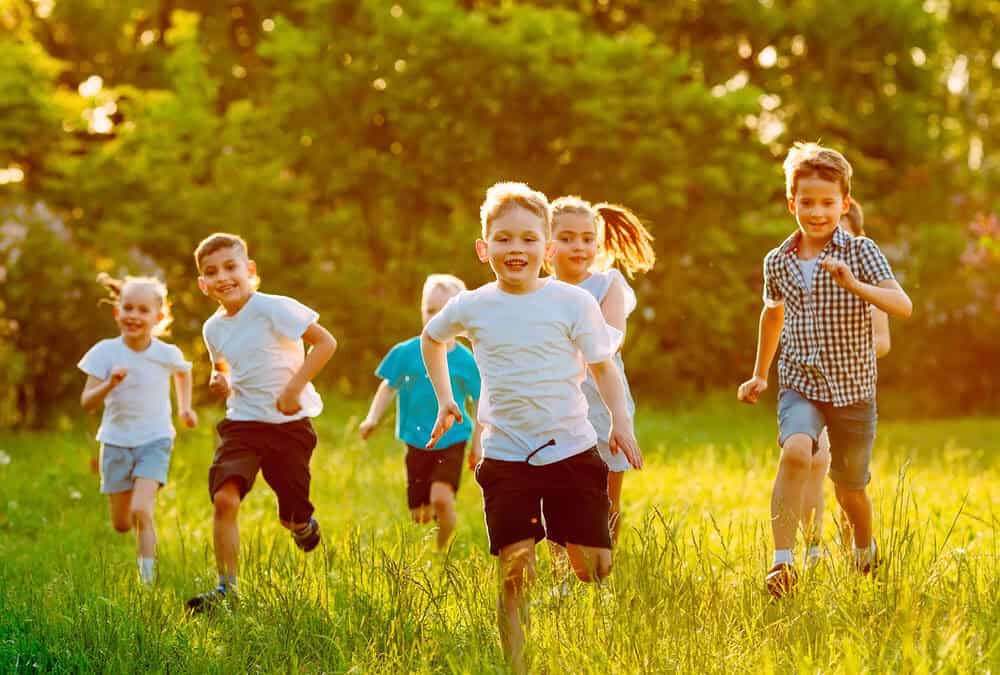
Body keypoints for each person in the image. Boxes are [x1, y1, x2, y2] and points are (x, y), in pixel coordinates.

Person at [421, 182, 641, 672]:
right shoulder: (472, 305)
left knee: (592, 568)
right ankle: (515, 666)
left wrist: (619, 424)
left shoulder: (572, 302)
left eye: (527, 239)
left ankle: (566, 536)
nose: (515, 249)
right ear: (484, 248)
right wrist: (446, 400)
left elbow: (604, 365)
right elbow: (431, 338)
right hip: (505, 454)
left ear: (547, 248)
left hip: (572, 449)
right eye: (503, 239)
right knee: (514, 569)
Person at [737, 142, 912, 597]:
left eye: (828, 203)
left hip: (853, 389)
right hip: (801, 381)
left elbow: (903, 305)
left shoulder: (862, 251)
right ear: (791, 203)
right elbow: (772, 315)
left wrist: (854, 284)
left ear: (844, 204)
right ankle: (781, 563)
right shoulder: (777, 261)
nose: (817, 212)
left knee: (849, 490)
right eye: (808, 203)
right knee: (796, 450)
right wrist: (760, 373)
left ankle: (863, 548)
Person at [185, 233, 337, 613]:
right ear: (204, 285)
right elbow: (223, 365)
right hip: (243, 423)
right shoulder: (213, 329)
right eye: (212, 272)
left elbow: (325, 343)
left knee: (291, 513)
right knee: (224, 497)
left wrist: (293, 387)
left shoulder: (274, 308)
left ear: (250, 270)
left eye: (231, 267)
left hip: (289, 424)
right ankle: (227, 590)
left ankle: (302, 523)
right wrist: (220, 381)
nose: (223, 277)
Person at [548, 195, 654, 543]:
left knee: (606, 495)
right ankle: (563, 572)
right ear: (547, 244)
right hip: (555, 403)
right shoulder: (538, 290)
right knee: (558, 492)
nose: (578, 247)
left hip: (604, 403)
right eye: (566, 238)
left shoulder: (608, 285)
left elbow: (612, 340)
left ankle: (603, 562)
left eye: (587, 239)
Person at [79, 273, 197, 585]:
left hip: (155, 440)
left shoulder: (166, 353)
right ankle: (136, 539)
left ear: (158, 318)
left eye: (143, 310)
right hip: (116, 442)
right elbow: (87, 403)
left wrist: (184, 407)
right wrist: (109, 384)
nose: (134, 315)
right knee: (121, 522)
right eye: (128, 308)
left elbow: (184, 373)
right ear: (118, 312)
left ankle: (147, 583)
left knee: (142, 510)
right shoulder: (104, 352)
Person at [359, 274, 482, 550]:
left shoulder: (465, 360)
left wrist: (478, 445)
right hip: (416, 439)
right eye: (430, 310)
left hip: (453, 437)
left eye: (444, 311)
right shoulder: (406, 352)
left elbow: (480, 403)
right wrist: (372, 419)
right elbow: (388, 387)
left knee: (441, 497)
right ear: (421, 311)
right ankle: (427, 547)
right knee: (420, 514)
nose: (435, 317)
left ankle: (442, 550)